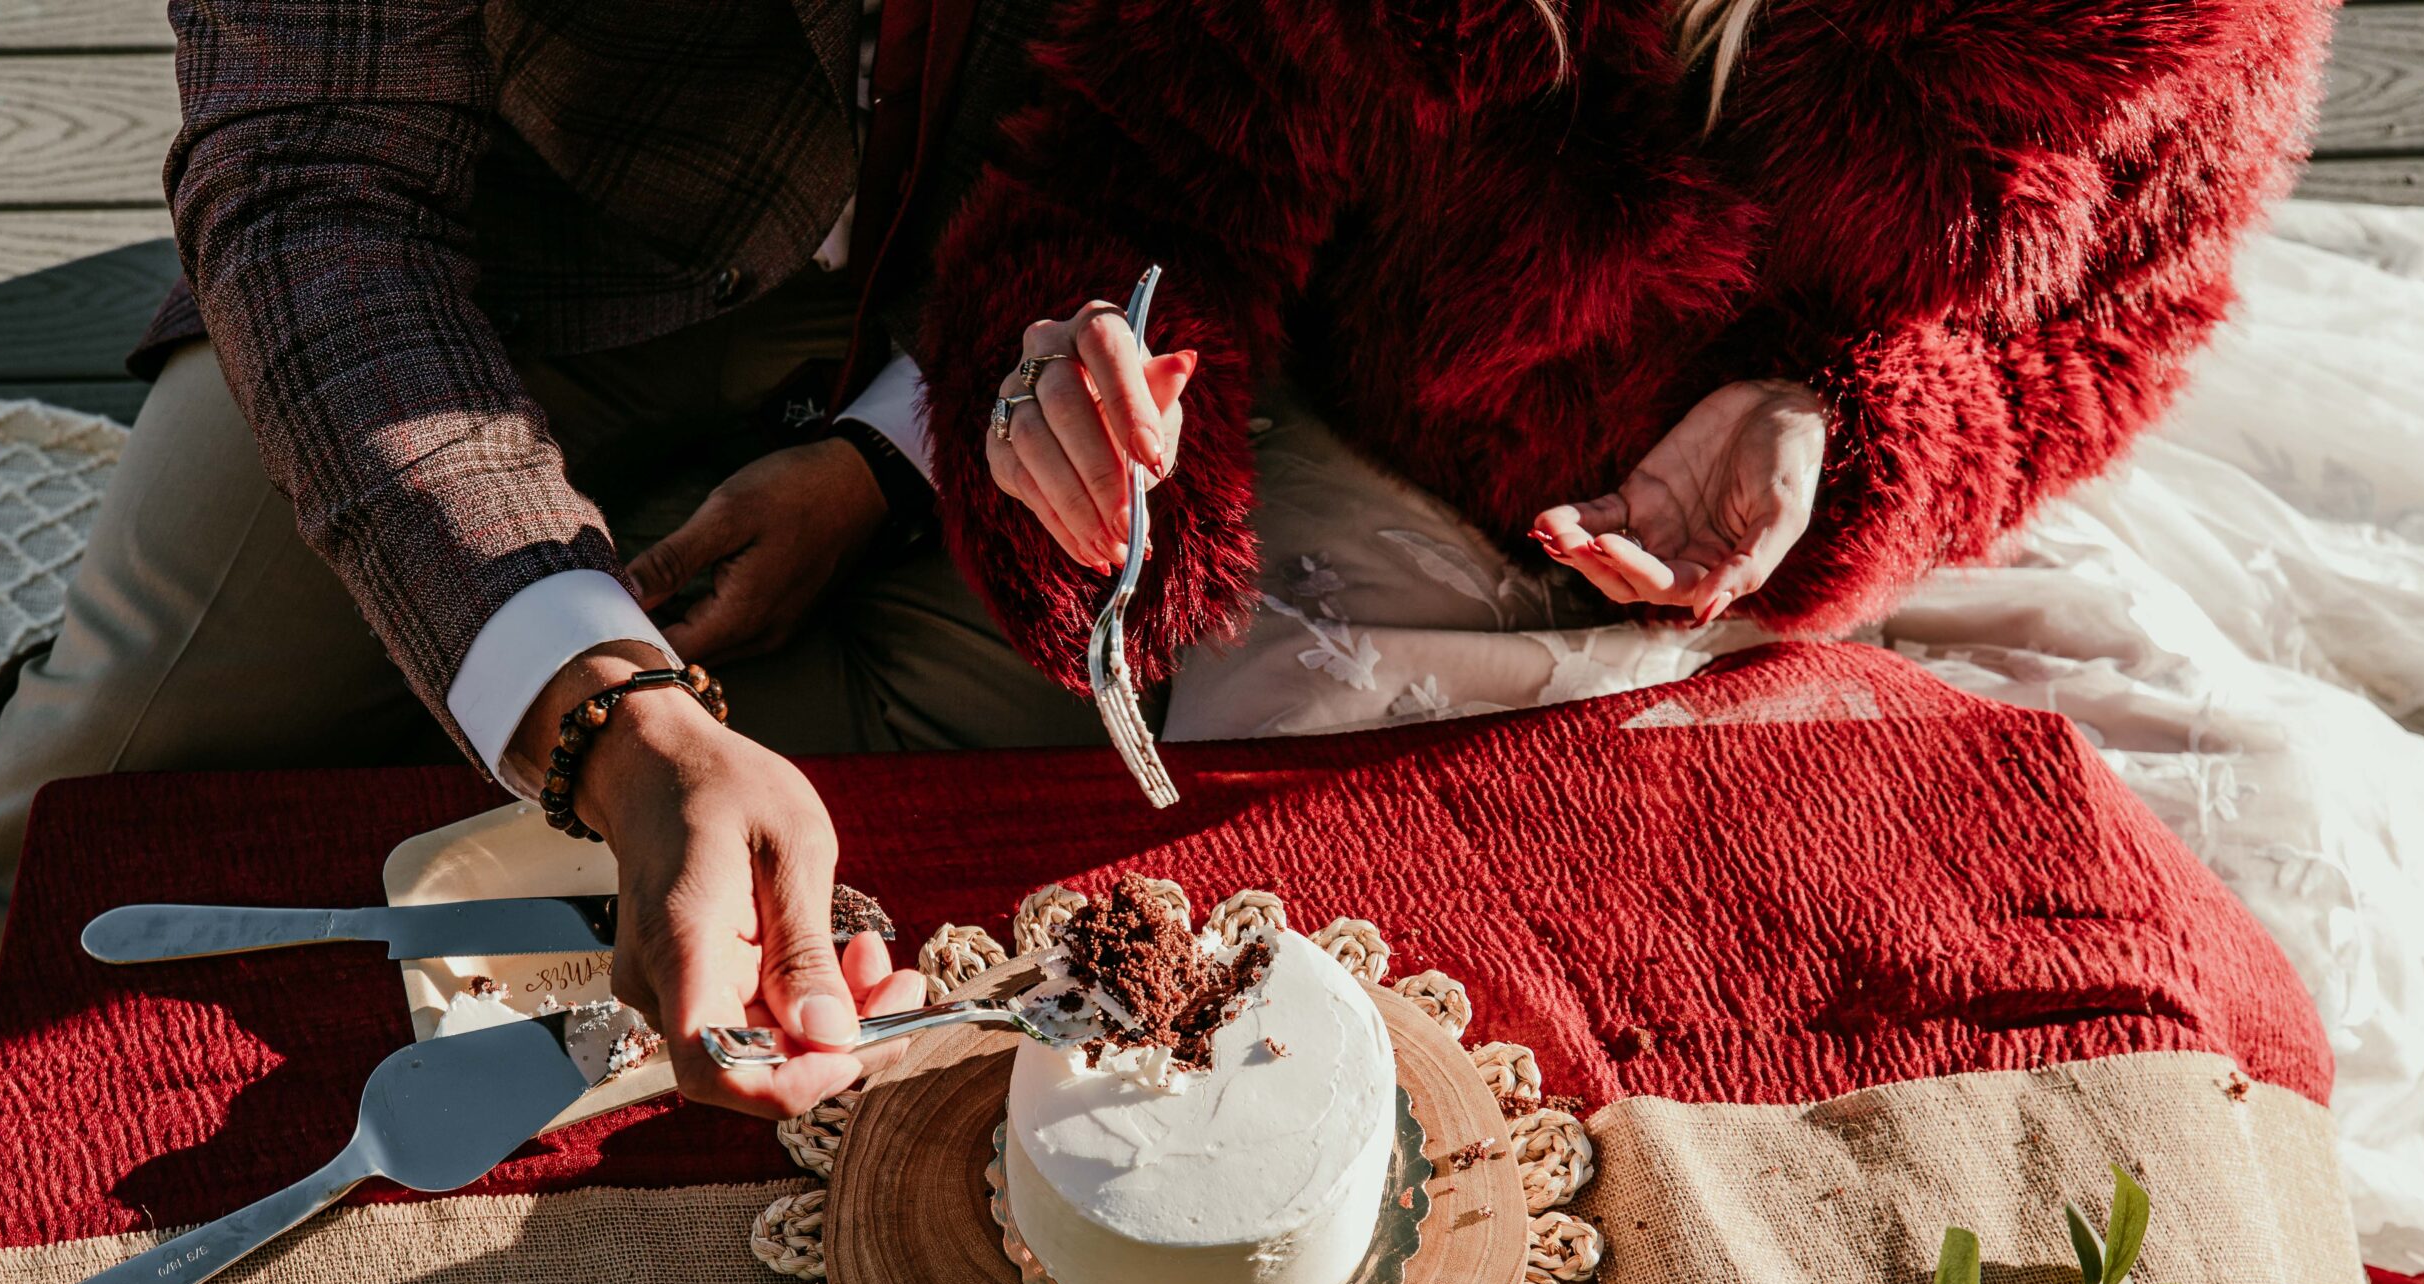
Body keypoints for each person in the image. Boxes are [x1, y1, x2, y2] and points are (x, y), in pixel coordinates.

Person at [0, 0, 1101, 1284]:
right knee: (97, 781)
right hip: (467, 279)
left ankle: (438, 690)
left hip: (963, 325)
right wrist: (595, 701)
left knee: (1006, 830)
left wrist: (893, 455)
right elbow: (312, 188)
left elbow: (1205, 130)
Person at [916, 0, 2332, 734]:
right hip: (1375, 497)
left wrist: (1848, 445)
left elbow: (2117, 334)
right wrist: (1069, 390)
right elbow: (1129, 188)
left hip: (1858, 593)